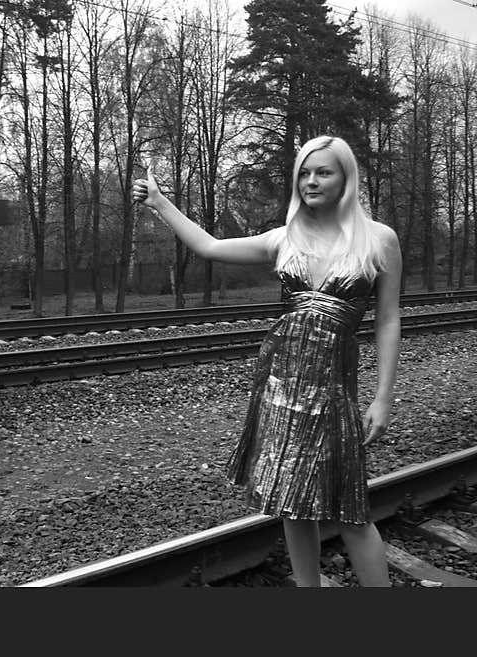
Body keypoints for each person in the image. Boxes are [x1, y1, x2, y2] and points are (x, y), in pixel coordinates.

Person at [133, 135, 402, 587]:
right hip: (281, 382)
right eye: (304, 172)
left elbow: (389, 321)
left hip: (335, 386)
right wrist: (161, 203)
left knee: (350, 507)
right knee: (291, 501)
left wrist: (384, 396)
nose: (311, 181)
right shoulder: (285, 238)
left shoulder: (379, 240)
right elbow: (211, 247)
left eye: (323, 171)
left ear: (346, 178)